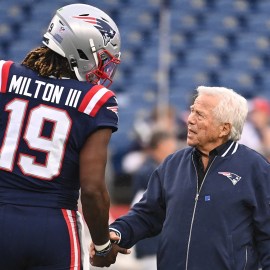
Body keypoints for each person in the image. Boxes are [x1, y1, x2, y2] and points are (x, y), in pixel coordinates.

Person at [0, 3, 128, 269]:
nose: (102, 68)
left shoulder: (3, 75)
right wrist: (103, 246)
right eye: (101, 58)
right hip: (53, 223)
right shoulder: (95, 100)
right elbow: (92, 188)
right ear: (81, 50)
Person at [91, 86, 270, 269]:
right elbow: (146, 214)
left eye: (200, 115)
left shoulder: (256, 169)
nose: (190, 120)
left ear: (224, 128)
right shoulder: (172, 164)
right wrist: (118, 231)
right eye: (192, 111)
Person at [131, 130, 178, 270]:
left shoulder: (161, 169)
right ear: (159, 146)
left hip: (163, 242)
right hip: (153, 243)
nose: (173, 151)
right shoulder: (149, 172)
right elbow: (141, 209)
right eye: (169, 147)